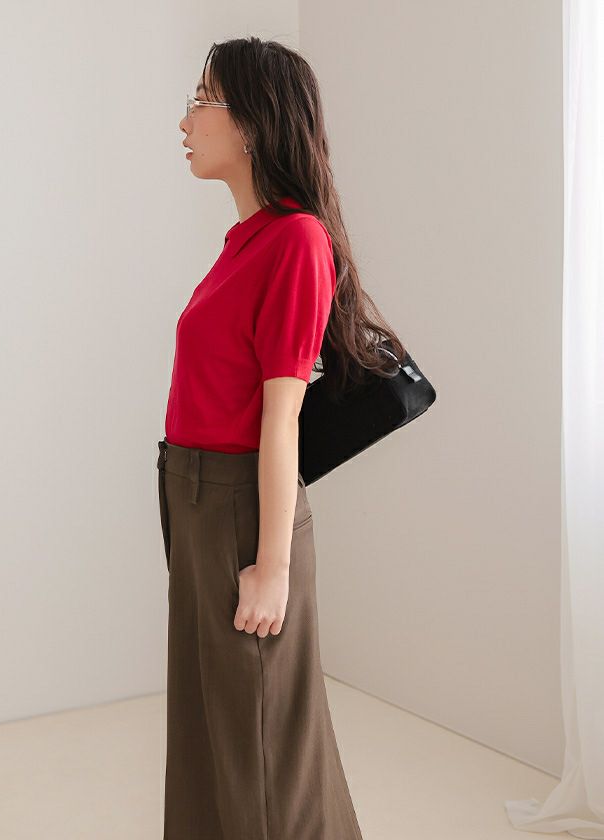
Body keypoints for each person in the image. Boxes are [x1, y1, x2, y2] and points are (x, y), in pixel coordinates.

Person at [158, 35, 405, 840]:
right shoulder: (245, 240)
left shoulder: (296, 241)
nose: (186, 119)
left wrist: (272, 567)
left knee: (264, 745)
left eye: (203, 100)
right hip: (196, 500)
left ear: (253, 123)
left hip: (241, 507)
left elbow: (279, 417)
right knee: (211, 727)